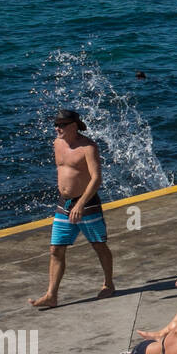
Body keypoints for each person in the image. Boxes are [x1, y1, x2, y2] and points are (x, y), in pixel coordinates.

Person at [30, 110, 114, 308]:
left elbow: (96, 179)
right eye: (56, 125)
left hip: (87, 203)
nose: (57, 128)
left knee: (98, 245)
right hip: (65, 203)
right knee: (55, 249)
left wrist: (81, 203)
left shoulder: (88, 147)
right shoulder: (57, 143)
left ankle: (108, 284)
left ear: (74, 125)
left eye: (62, 125)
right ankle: (52, 295)